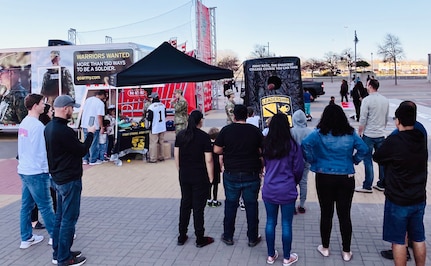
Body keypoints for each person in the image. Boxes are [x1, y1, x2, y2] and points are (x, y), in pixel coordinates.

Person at [301, 104, 368, 262]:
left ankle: (325, 247)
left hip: (324, 176)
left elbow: (304, 144)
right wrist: (354, 160)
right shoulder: (350, 133)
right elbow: (364, 149)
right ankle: (346, 251)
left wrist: (313, 160)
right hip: (346, 176)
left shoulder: (319, 133)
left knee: (326, 213)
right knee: (344, 215)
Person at [373, 103, 427, 266]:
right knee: (418, 238)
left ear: (398, 121)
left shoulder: (395, 140)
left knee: (399, 240)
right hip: (418, 198)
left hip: (398, 200)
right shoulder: (420, 137)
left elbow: (378, 157)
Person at [45, 95, 94, 266]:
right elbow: (81, 150)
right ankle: (65, 258)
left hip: (57, 178)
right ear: (65, 108)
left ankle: (59, 252)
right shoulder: (64, 131)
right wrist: (91, 135)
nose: (73, 111)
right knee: (68, 219)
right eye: (72, 108)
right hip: (69, 180)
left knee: (60, 217)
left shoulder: (49, 127)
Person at [214, 104, 263, 247]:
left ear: (234, 116)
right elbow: (261, 150)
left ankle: (228, 236)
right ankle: (252, 237)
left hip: (231, 173)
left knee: (230, 205)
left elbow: (217, 149)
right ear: (247, 116)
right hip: (251, 173)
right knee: (251, 206)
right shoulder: (255, 131)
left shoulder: (226, 130)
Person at [262, 113, 303, 266]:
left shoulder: (266, 144)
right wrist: (293, 182)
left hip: (270, 188)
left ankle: (271, 255)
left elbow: (264, 164)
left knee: (270, 222)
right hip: (287, 189)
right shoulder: (293, 146)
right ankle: (287, 257)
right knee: (286, 224)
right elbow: (298, 169)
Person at [17, 94, 55, 250]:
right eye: (42, 103)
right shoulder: (38, 126)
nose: (44, 106)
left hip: (25, 170)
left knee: (26, 206)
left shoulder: (24, 123)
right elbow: (42, 152)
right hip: (36, 172)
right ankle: (55, 237)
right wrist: (48, 171)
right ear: (34, 106)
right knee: (46, 206)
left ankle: (26, 238)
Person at [174, 110, 214, 248]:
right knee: (198, 207)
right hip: (200, 175)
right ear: (200, 121)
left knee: (185, 204)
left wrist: (180, 171)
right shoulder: (204, 137)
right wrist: (211, 177)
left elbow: (176, 156)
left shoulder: (181, 135)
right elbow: (208, 160)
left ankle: (182, 235)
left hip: (184, 174)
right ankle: (199, 237)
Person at [355, 78, 389, 193]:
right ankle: (382, 183)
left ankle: (367, 185)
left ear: (370, 86)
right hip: (381, 134)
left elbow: (363, 118)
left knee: (367, 160)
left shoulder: (366, 100)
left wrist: (360, 131)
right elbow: (386, 117)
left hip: (369, 134)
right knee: (382, 160)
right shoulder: (385, 100)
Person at [31, 103, 57, 230]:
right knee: (49, 198)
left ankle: (33, 221)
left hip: (32, 169)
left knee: (34, 197)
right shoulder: (43, 128)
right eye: (50, 111)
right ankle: (55, 228)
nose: (52, 113)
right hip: (42, 169)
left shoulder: (32, 124)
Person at [290, 110, 313, 214]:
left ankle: (292, 204)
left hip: (293, 161)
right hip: (306, 160)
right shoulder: (310, 132)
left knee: (292, 182)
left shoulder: (291, 131)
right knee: (303, 182)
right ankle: (302, 204)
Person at [81, 90, 107, 165]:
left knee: (86, 141)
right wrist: (102, 127)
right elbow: (99, 116)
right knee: (94, 143)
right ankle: (93, 159)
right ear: (102, 95)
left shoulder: (88, 100)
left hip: (85, 123)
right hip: (94, 125)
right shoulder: (100, 103)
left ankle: (85, 159)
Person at [147, 92, 167, 163]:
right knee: (161, 142)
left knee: (153, 143)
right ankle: (161, 156)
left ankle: (153, 158)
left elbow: (149, 118)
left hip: (154, 127)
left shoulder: (151, 107)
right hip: (162, 126)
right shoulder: (163, 105)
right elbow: (165, 115)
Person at [207, 127, 222, 208]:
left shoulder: (208, 145)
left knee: (209, 184)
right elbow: (220, 158)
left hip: (209, 167)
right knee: (215, 185)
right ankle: (215, 200)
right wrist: (221, 167)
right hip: (216, 167)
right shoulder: (218, 146)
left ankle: (208, 199)